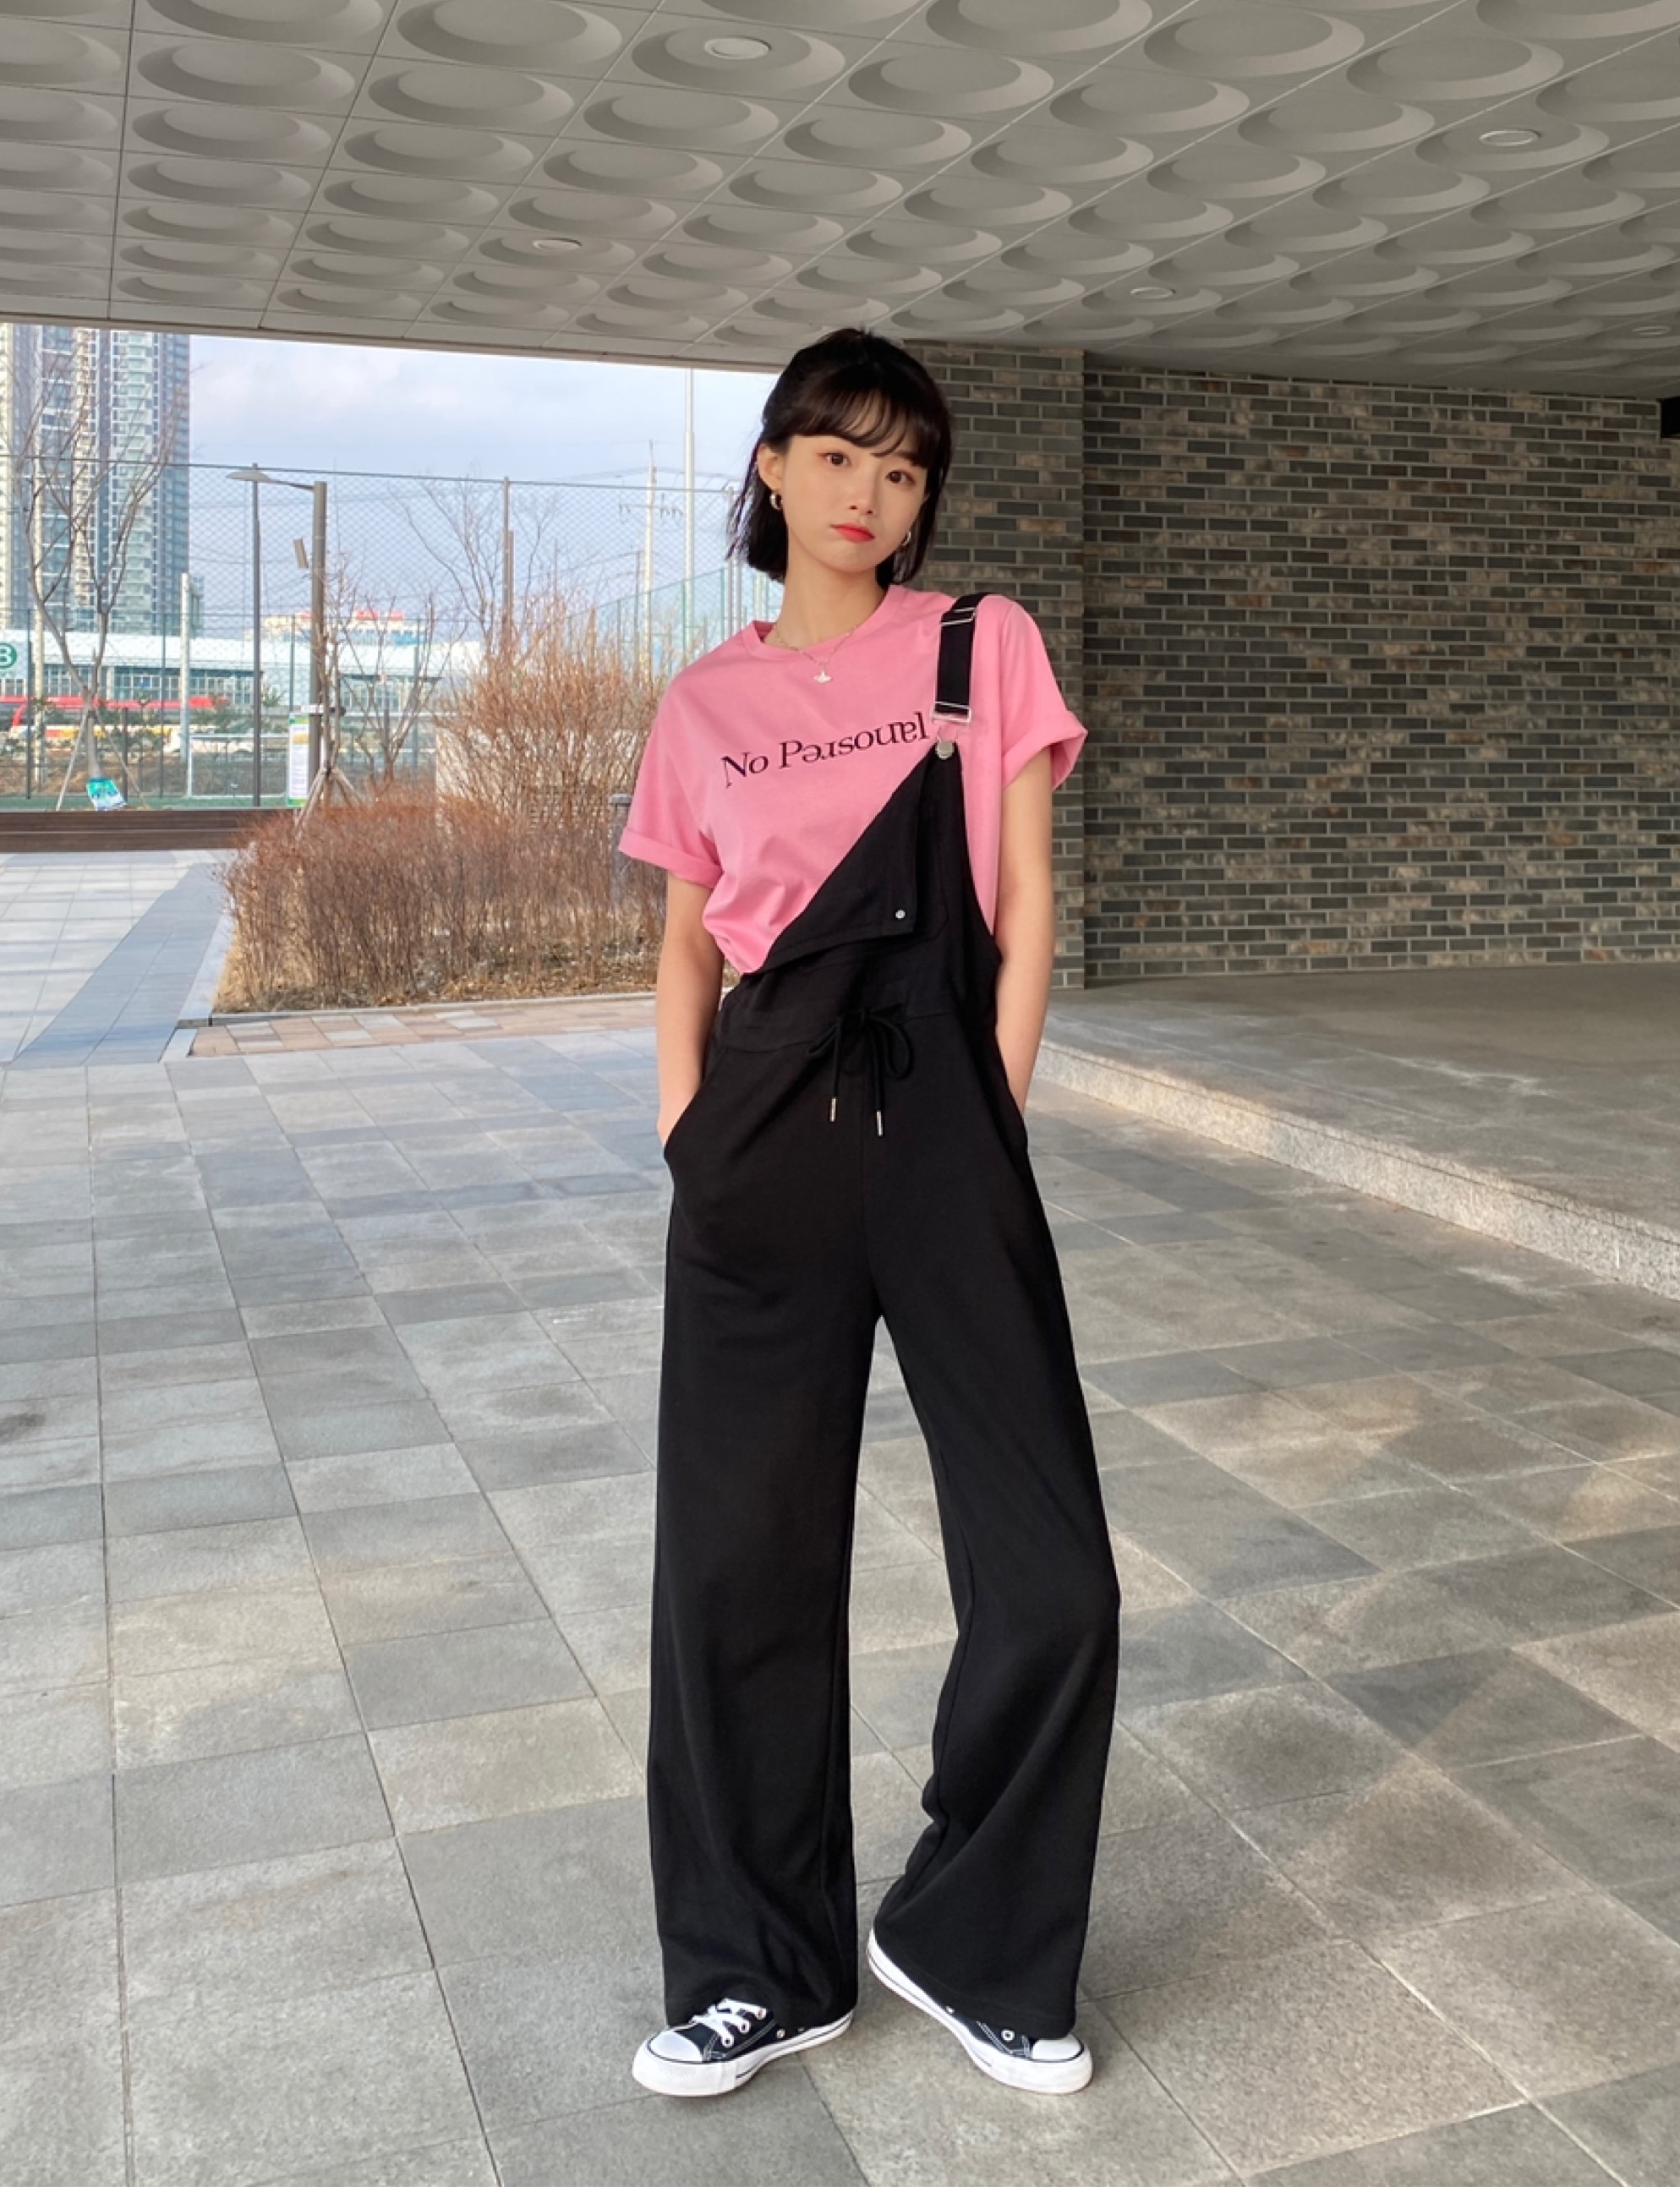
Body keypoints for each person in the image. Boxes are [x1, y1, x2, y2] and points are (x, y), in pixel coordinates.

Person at [616, 326, 1121, 2103]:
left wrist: (990, 1115)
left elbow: (1027, 905)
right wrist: (691, 1139)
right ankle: (760, 1968)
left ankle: (971, 1933)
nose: (870, 493)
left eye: (904, 467)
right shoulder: (702, 705)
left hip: (945, 1119)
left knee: (1054, 1573)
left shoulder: (983, 646)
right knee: (735, 1568)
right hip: (761, 1133)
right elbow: (687, 946)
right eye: (838, 454)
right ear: (772, 466)